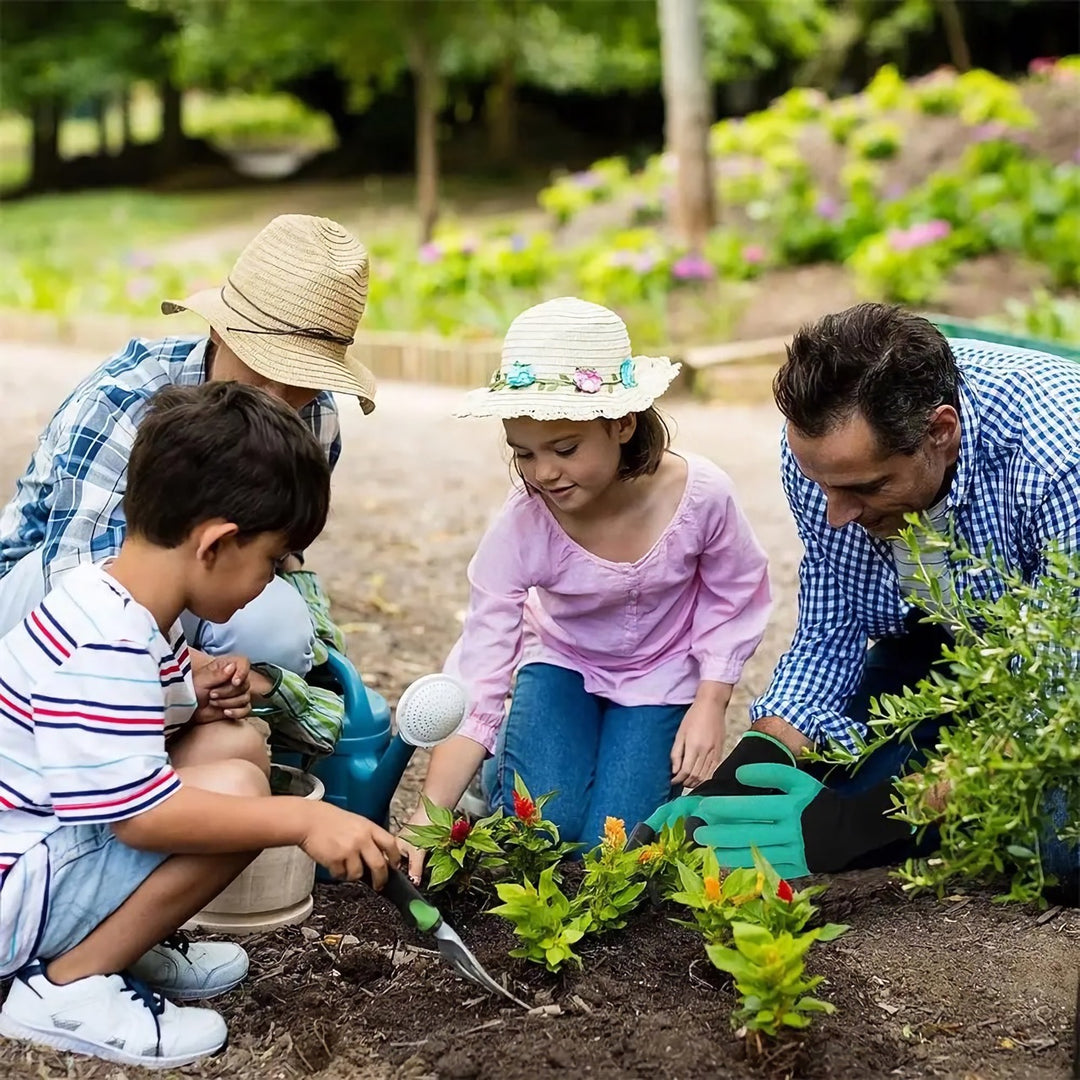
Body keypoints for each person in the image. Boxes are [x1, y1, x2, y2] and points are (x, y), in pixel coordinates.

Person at [0, 382, 403, 1068]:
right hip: (17, 892)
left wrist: (188, 691)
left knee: (234, 745)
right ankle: (68, 984)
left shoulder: (107, 598)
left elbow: (121, 723)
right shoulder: (107, 646)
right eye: (272, 564)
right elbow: (141, 819)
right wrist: (302, 822)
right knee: (242, 803)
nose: (270, 583)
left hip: (40, 845)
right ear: (215, 544)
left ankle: (119, 938)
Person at [640, 303, 1079, 900]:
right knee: (824, 784)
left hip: (1060, 663)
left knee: (1060, 846)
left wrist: (871, 823)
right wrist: (753, 765)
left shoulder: (1056, 463)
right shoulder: (828, 454)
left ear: (940, 434)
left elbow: (1058, 701)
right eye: (823, 484)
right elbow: (832, 627)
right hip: (952, 640)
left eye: (866, 489)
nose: (836, 513)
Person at [402, 297, 771, 878]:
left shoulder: (701, 495)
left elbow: (735, 593)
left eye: (565, 449)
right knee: (542, 835)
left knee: (611, 856)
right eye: (523, 453)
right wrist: (428, 820)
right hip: (561, 660)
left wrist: (710, 702)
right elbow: (482, 664)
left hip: (662, 672)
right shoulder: (524, 520)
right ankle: (492, 766)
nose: (543, 472)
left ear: (622, 423)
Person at [0, 213, 377, 756]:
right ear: (219, 330)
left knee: (279, 627)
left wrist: (245, 672)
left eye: (299, 379)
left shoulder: (315, 416)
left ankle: (180, 745)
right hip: (51, 592)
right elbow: (78, 579)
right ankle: (91, 734)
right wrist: (186, 671)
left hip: (197, 586)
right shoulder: (126, 398)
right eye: (259, 368)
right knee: (100, 641)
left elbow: (274, 552)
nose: (275, 396)